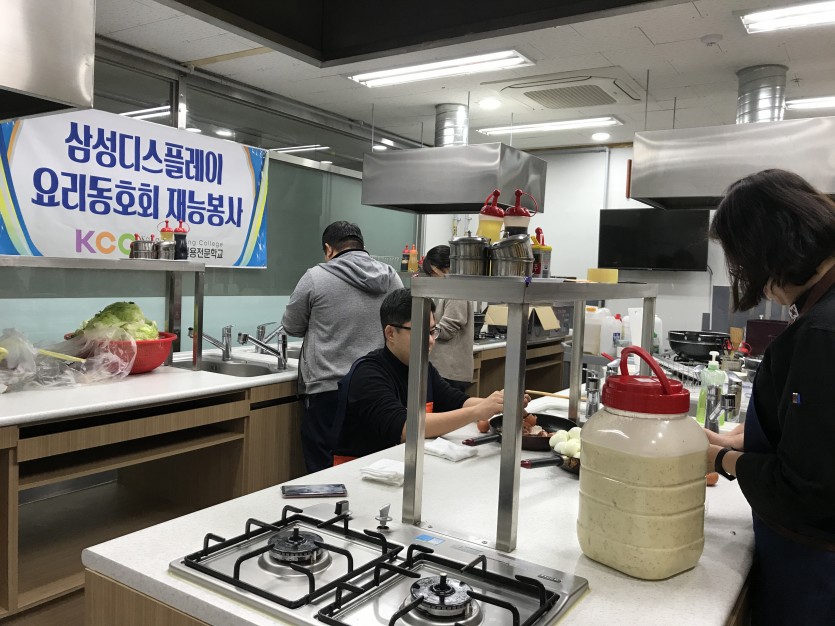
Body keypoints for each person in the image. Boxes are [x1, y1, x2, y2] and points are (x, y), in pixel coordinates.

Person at [707, 168, 835, 626]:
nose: (753, 279)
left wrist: (719, 459)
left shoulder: (823, 332)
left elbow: (811, 491)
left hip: (816, 572)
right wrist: (751, 440)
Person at [333, 288, 509, 463]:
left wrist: (502, 404)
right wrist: (476, 412)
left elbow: (456, 400)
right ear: (391, 333)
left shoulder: (422, 368)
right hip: (361, 470)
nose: (431, 340)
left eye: (432, 331)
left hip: (403, 464)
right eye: (421, 332)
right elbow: (405, 428)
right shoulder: (368, 375)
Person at [282, 221, 403, 473]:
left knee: (326, 473)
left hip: (329, 390)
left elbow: (291, 326)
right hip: (379, 387)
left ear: (329, 249)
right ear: (361, 246)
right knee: (376, 467)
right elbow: (403, 323)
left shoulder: (316, 277)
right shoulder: (391, 276)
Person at [422, 245, 475, 392]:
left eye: (432, 273)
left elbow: (446, 331)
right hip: (447, 370)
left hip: (451, 371)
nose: (432, 278)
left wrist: (422, 330)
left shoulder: (457, 290)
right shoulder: (452, 289)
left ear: (444, 268)